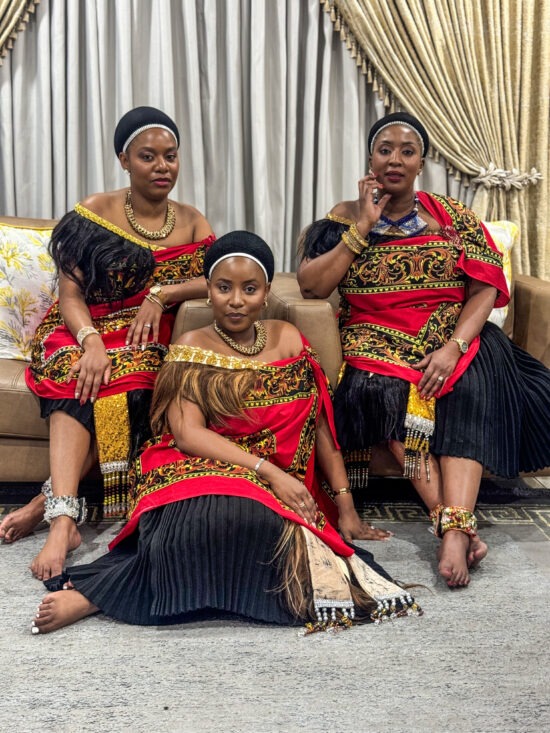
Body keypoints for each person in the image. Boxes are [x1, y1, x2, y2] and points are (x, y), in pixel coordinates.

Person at [30, 231, 422, 635]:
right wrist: (269, 472)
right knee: (193, 525)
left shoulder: (289, 339)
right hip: (197, 464)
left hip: (271, 484)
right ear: (209, 291)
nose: (236, 300)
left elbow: (319, 424)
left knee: (254, 524)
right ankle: (96, 595)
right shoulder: (191, 345)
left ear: (266, 293)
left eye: (249, 289)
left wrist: (346, 507)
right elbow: (188, 435)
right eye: (223, 288)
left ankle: (100, 596)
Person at [297, 112, 550, 588]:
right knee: (385, 397)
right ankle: (451, 523)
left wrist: (454, 347)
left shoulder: (452, 216)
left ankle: (454, 530)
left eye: (407, 151)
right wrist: (363, 225)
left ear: (421, 162)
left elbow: (484, 289)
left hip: (453, 335)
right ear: (370, 159)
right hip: (374, 339)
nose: (395, 159)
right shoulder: (344, 217)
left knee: (471, 387)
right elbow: (312, 286)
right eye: (385, 150)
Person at [0, 106, 215, 581]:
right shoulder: (94, 211)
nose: (162, 166)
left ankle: (44, 503)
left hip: (143, 338)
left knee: (133, 384)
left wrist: (163, 293)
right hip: (83, 326)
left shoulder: (192, 220)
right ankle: (63, 522)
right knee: (77, 373)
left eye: (170, 155)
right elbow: (70, 296)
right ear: (124, 160)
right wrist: (91, 342)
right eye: (148, 156)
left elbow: (220, 278)